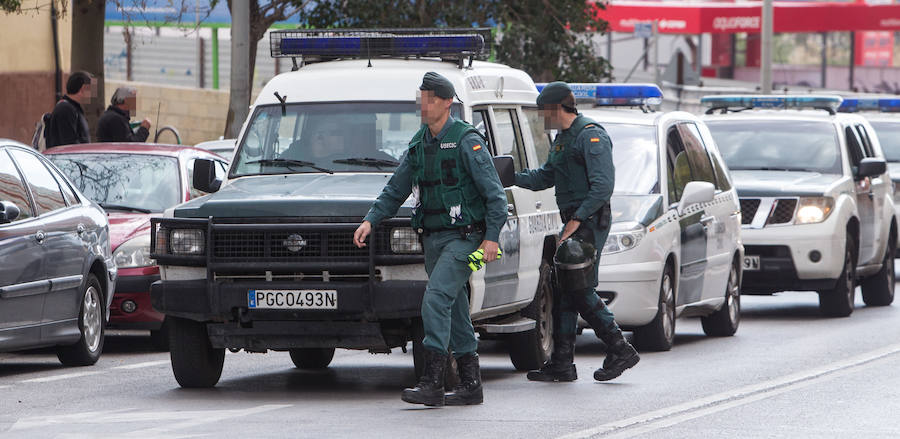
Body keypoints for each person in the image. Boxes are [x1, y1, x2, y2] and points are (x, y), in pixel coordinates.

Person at [353, 72, 507, 407]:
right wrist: (371, 220)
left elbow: (496, 197)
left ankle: (432, 380)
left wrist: (492, 240)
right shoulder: (419, 144)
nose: (424, 104)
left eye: (431, 99)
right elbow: (396, 189)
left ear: (447, 102)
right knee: (454, 309)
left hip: (469, 242)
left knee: (435, 299)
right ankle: (470, 383)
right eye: (422, 98)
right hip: (433, 240)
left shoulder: (467, 140)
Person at [515, 81, 640, 382]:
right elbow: (546, 176)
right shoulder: (563, 138)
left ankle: (619, 346)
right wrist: (505, 176)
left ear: (557, 108)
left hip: (589, 219)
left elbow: (602, 187)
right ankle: (562, 363)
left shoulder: (590, 135)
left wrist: (576, 221)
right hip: (574, 219)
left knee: (580, 287)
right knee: (566, 288)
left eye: (543, 111)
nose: (541, 116)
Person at [46, 71, 94, 148]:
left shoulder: (72, 108)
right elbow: (69, 144)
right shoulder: (66, 109)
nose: (91, 94)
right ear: (83, 88)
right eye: (90, 89)